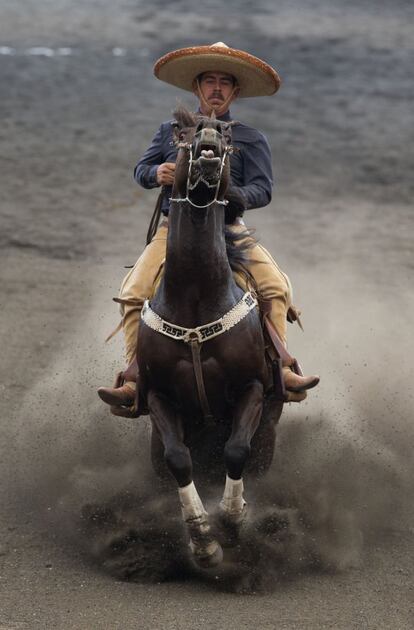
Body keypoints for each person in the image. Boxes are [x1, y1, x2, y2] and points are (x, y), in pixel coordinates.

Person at [98, 42, 319, 411]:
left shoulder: (252, 139)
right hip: (175, 232)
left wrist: (229, 194)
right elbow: (140, 170)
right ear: (197, 88)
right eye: (209, 81)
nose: (216, 89)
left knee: (276, 287)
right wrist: (157, 172)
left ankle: (282, 368)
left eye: (224, 83)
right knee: (134, 293)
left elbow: (263, 189)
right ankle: (135, 379)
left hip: (230, 230)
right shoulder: (169, 132)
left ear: (235, 91)